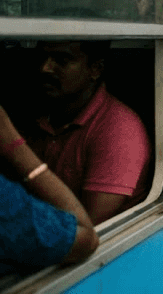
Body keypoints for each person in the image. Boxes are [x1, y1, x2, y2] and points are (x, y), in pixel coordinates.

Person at [24, 40, 151, 226]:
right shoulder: (38, 112)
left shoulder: (118, 129)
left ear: (95, 69)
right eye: (42, 57)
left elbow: (87, 229)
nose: (45, 68)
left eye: (62, 59)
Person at [1, 103, 98, 275]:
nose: (44, 73)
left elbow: (94, 230)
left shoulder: (116, 128)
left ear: (95, 73)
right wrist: (12, 145)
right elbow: (85, 238)